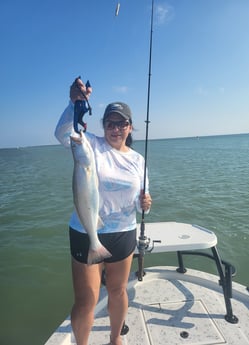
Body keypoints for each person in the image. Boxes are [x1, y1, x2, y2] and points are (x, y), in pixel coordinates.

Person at [55, 78, 152, 345]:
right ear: (103, 126)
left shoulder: (138, 159)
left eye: (122, 123)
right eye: (110, 123)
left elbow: (140, 195)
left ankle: (114, 340)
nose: (116, 128)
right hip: (87, 231)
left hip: (123, 232)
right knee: (87, 299)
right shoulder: (91, 146)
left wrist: (144, 202)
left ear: (130, 127)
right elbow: (64, 134)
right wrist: (74, 102)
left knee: (119, 290)